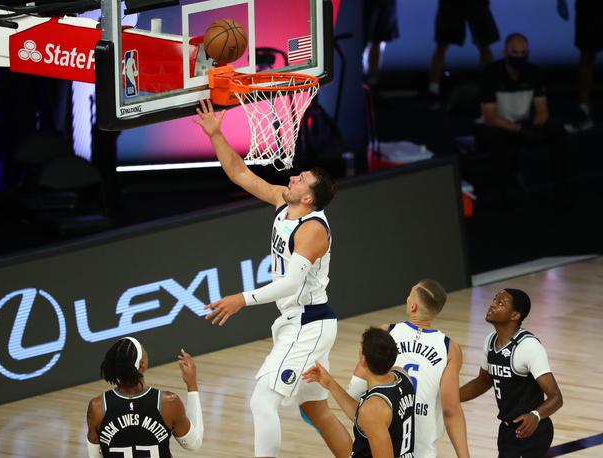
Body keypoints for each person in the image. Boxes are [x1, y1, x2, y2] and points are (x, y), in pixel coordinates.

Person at [193, 99, 351, 458]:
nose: (293, 177)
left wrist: (241, 299)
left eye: (301, 179)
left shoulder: (313, 230)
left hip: (308, 324)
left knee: (262, 401)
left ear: (308, 197)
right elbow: (240, 174)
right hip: (294, 321)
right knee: (315, 409)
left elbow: (291, 285)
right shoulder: (284, 203)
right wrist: (216, 135)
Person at [347, 279, 470, 458]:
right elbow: (451, 410)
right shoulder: (450, 348)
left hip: (383, 439)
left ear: (412, 307)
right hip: (422, 449)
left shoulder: (387, 332)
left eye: (409, 295)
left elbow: (356, 389)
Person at [460, 289, 564, 457]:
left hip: (533, 430)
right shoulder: (490, 340)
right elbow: (483, 382)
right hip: (507, 429)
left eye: (500, 303)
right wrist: (450, 397)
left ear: (515, 315)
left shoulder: (529, 347)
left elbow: (556, 398)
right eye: (494, 300)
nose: (492, 304)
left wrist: (535, 415)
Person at [474, 33, 569, 205]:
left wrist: (534, 125)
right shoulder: (490, 74)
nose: (519, 57)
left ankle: (561, 190)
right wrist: (519, 130)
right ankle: (506, 195)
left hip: (523, 122)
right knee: (498, 139)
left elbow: (542, 110)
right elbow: (490, 117)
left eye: (523, 53)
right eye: (515, 53)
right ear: (505, 52)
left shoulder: (534, 73)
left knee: (558, 131)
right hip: (496, 125)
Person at [303, 327, 416, 458]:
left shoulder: (373, 409)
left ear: (363, 360)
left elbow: (371, 417)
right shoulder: (402, 375)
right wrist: (330, 383)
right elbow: (365, 420)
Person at [86, 337, 203, 458]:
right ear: (142, 364)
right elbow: (194, 444)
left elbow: (94, 455)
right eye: (143, 349)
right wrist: (192, 383)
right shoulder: (168, 403)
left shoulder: (97, 407)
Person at [428, 0, 500, 108]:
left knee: (484, 45)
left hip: (476, 4)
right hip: (450, 4)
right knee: (441, 45)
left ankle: (488, 91)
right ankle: (433, 90)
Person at [564, 0, 603, 132]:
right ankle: (583, 113)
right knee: (586, 56)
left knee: (586, 58)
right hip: (589, 6)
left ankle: (583, 112)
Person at [364, 0, 400, 87]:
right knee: (365, 39)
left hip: (385, 3)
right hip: (366, 5)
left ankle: (372, 82)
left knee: (378, 40)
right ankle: (363, 80)